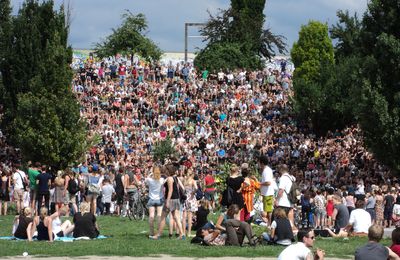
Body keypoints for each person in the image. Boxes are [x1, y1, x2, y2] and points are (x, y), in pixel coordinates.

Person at [151, 163, 184, 240]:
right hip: (176, 199)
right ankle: (182, 234)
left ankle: (158, 235)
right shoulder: (175, 177)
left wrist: (167, 201)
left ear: (168, 170)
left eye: (166, 170)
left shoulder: (169, 179)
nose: (164, 171)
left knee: (163, 217)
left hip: (171, 200)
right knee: (176, 217)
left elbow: (170, 190)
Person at [145, 166, 165, 237]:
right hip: (159, 199)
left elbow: (145, 180)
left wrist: (150, 173)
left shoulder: (150, 180)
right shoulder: (162, 180)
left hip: (151, 199)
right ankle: (158, 232)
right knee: (159, 215)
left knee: (151, 216)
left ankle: (151, 232)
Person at [259, 155, 275, 226]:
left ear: (262, 163)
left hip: (268, 193)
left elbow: (268, 182)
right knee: (267, 209)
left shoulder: (266, 171)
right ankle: (269, 223)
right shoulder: (266, 170)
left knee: (269, 210)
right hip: (266, 193)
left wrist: (260, 183)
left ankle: (269, 224)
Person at [182, 169, 198, 237]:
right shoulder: (193, 181)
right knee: (190, 217)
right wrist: (193, 192)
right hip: (191, 199)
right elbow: (196, 188)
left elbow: (182, 189)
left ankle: (183, 232)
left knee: (184, 216)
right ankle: (188, 233)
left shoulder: (184, 180)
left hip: (185, 198)